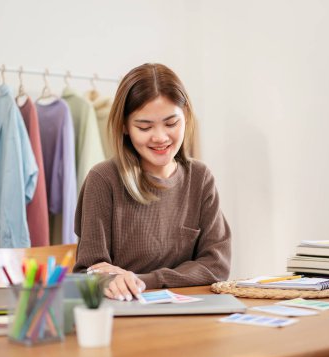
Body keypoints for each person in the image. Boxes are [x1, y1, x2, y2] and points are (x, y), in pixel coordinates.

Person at [73, 63, 231, 301]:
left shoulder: (200, 177)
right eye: (144, 127)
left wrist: (143, 280)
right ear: (125, 126)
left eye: (171, 124)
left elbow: (216, 266)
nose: (160, 137)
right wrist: (109, 279)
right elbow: (91, 271)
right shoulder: (103, 179)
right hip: (127, 310)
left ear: (186, 117)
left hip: (189, 313)